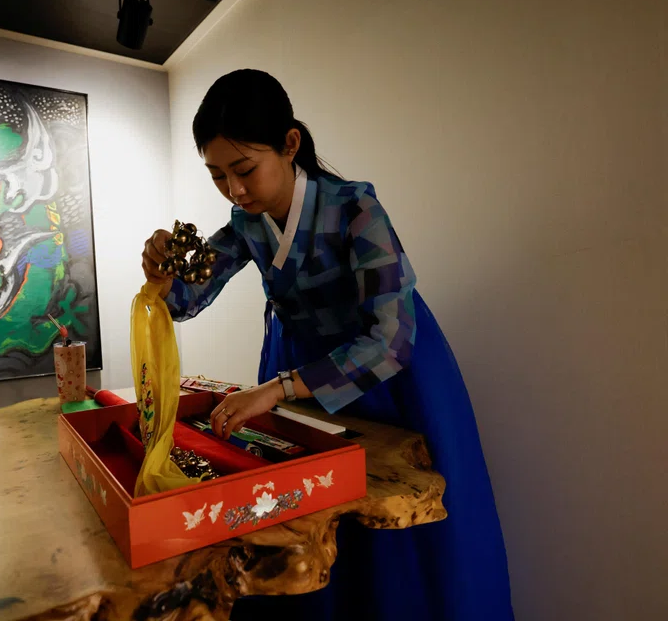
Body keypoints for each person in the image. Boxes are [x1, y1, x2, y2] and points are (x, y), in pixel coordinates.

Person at [141, 69, 514, 620]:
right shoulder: (246, 222)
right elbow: (189, 299)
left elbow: (390, 339)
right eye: (218, 176)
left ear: (290, 144)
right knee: (313, 525)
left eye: (244, 170)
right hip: (296, 370)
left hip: (389, 375)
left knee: (399, 537)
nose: (235, 190)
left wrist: (278, 388)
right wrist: (164, 275)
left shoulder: (356, 209)